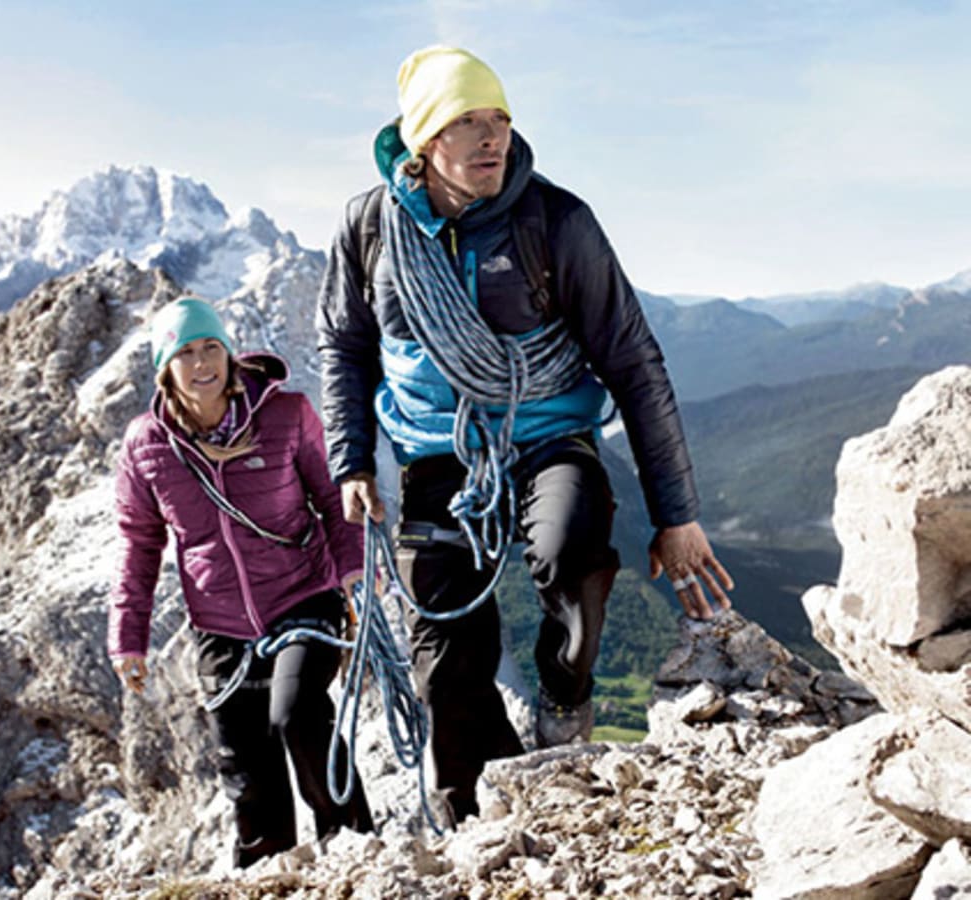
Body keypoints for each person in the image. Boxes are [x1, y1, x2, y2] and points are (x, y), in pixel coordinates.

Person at [315, 46, 734, 825]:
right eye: (466, 121)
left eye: (500, 118)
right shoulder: (370, 227)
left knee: (573, 553)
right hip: (436, 451)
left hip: (548, 435)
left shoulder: (556, 221)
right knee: (445, 659)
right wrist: (352, 460)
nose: (491, 137)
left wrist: (677, 515)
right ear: (422, 141)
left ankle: (564, 699)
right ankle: (475, 817)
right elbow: (344, 343)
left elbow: (633, 362)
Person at [108, 296, 374, 867]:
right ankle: (266, 874)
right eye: (185, 353)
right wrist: (128, 637)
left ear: (229, 354)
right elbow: (140, 544)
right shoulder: (146, 444)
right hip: (220, 621)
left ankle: (354, 851)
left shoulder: (286, 414)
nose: (202, 363)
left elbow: (333, 500)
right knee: (246, 770)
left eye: (212, 347)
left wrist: (353, 570)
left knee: (298, 714)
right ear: (164, 369)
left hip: (304, 595)